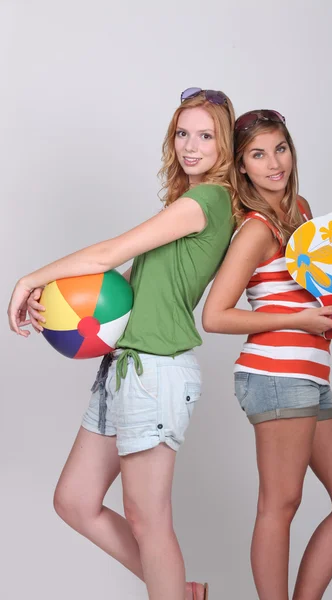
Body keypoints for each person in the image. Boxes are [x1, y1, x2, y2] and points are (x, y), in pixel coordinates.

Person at [8, 88, 236, 600]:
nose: (191, 146)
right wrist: (65, 309)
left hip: (157, 371)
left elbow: (109, 253)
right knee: (75, 500)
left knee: (147, 519)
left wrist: (28, 281)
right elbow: (126, 291)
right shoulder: (186, 202)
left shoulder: (207, 200)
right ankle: (181, 592)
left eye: (206, 136)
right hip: (126, 366)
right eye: (183, 133)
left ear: (225, 145)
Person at [202, 109, 332, 600]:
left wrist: (324, 311)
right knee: (279, 505)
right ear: (241, 167)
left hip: (308, 372)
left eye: (280, 148)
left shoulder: (300, 210)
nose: (273, 162)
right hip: (274, 373)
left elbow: (303, 288)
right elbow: (216, 315)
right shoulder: (255, 229)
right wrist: (298, 321)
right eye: (258, 154)